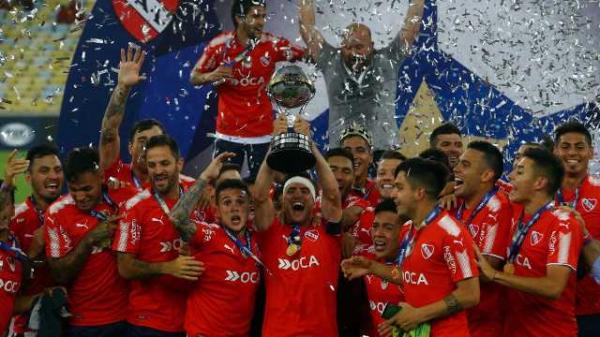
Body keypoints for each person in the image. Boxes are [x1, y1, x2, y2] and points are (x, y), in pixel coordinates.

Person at [342, 157, 480, 337]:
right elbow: (412, 276)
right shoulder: (411, 229)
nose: (393, 195)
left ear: (419, 193)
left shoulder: (451, 233)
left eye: (399, 188)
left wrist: (418, 315)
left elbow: (470, 294)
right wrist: (371, 267)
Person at [475, 147, 583, 337]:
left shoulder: (563, 223)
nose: (511, 175)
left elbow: (553, 287)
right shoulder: (515, 214)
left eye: (520, 171)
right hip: (511, 330)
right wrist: (449, 188)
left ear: (540, 182)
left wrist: (494, 275)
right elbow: (484, 183)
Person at [191, 0, 305, 179]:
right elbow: (194, 77)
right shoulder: (220, 45)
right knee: (225, 190)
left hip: (262, 135)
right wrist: (210, 75)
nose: (261, 21)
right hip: (228, 135)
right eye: (255, 16)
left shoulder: (273, 44)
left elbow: (307, 54)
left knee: (262, 194)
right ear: (239, 18)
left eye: (263, 16)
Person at [252, 116, 343, 336]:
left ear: (314, 201)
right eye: (290, 191)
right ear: (282, 201)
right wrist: (274, 145)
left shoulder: (327, 230)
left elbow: (332, 194)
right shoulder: (270, 231)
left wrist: (310, 145)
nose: (297, 195)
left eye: (304, 191)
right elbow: (259, 196)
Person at [299, 0, 425, 148]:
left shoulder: (388, 60)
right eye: (348, 47)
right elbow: (307, 28)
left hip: (383, 152)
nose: (354, 53)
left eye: (359, 47)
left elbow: (412, 26)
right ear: (342, 47)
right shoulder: (330, 62)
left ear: (371, 46)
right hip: (342, 152)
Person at [113, 135, 204, 337]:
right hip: (149, 324)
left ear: (179, 163)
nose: (158, 171)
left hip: (195, 320)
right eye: (152, 165)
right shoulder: (134, 208)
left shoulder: (198, 194)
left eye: (165, 163)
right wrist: (168, 267)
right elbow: (125, 267)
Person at [44, 147, 136, 336]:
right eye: (74, 189)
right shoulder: (56, 213)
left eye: (87, 189)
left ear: (101, 176)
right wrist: (91, 239)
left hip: (127, 317)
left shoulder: (126, 199)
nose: (80, 197)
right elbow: (60, 274)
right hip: (82, 322)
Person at [168, 153, 261, 336]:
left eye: (240, 202)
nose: (234, 207)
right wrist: (205, 178)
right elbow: (176, 217)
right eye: (227, 203)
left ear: (249, 207)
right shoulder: (209, 234)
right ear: (216, 211)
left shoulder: (258, 240)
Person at [452, 141, 512, 337]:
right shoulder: (454, 202)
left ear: (487, 175)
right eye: (459, 162)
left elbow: (486, 268)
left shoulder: (497, 207)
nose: (456, 168)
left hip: (483, 324)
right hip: (457, 318)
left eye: (465, 165)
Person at [8, 145, 64, 336]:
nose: (53, 176)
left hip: (73, 319)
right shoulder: (14, 220)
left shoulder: (74, 212)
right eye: (44, 170)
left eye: (57, 170)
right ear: (29, 178)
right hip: (26, 325)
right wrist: (32, 252)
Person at [552, 121, 600, 337]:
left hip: (593, 310)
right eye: (565, 146)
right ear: (555, 151)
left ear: (591, 152)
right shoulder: (537, 194)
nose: (572, 152)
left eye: (580, 147)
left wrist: (585, 235)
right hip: (546, 311)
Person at [362, 199, 405, 337]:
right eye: (375, 226)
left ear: (404, 231)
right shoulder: (363, 257)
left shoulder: (415, 264)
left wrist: (404, 326)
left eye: (388, 228)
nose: (378, 233)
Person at [0, 178, 26, 336]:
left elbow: (9, 302)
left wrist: (39, 298)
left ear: (13, 210)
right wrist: (6, 186)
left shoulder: (16, 247)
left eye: (6, 205)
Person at [340, 125, 381, 206]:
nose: (354, 156)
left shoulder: (381, 191)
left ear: (371, 157)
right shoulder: (329, 192)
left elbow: (407, 217)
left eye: (360, 150)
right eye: (347, 151)